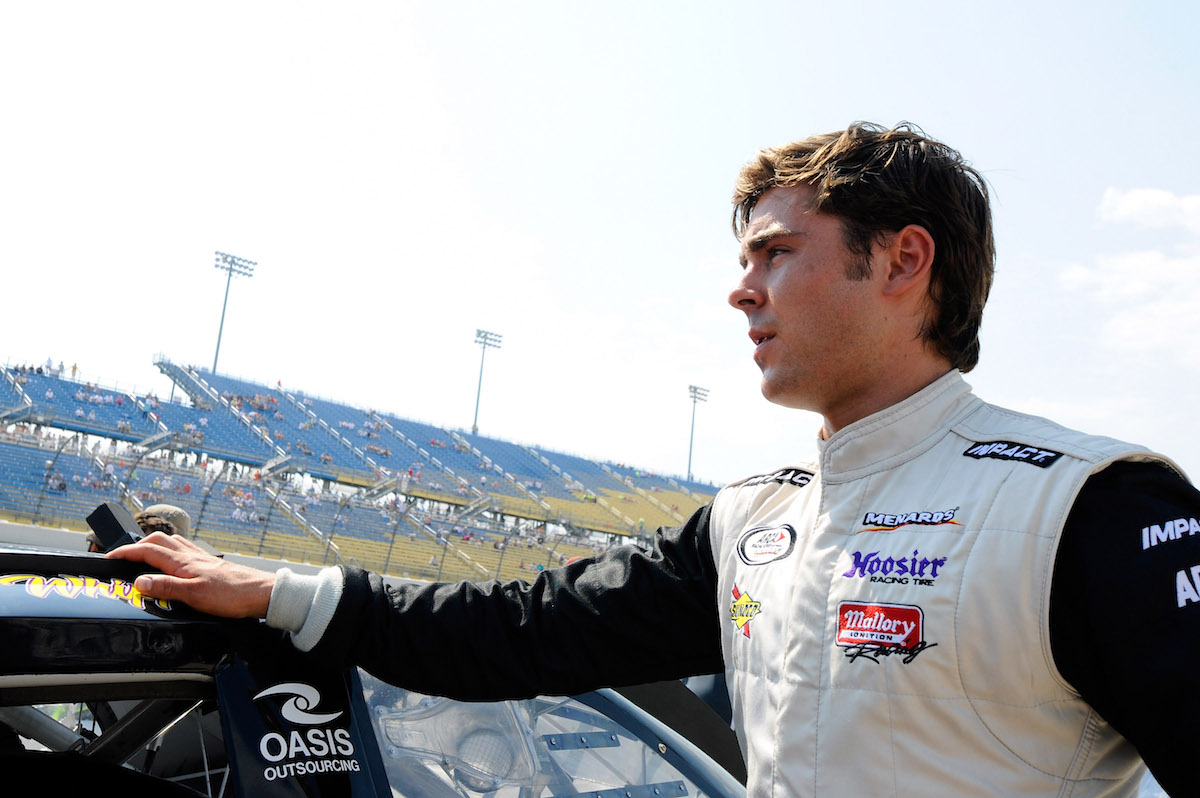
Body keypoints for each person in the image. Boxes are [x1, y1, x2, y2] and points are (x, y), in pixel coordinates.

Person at [109, 122, 1200, 797]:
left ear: (903, 262)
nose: (740, 289)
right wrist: (280, 592)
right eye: (745, 259)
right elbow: (520, 633)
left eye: (777, 252)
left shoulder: (1092, 507)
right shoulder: (751, 520)